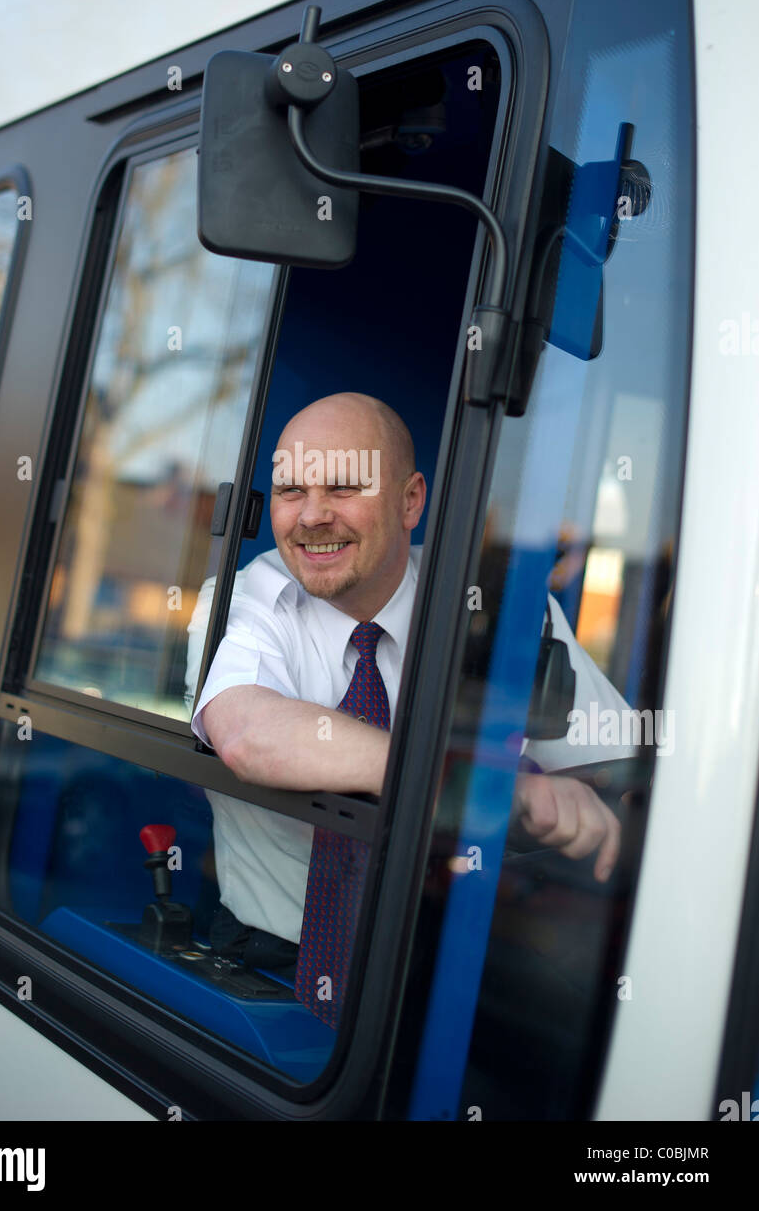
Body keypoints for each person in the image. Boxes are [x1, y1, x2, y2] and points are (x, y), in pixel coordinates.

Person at [190, 392, 630, 1017]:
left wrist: (573, 802)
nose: (311, 516)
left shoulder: (502, 610)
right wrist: (467, 779)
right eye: (290, 491)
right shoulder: (241, 600)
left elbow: (611, 764)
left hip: (461, 956)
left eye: (343, 487)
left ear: (410, 501)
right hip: (273, 963)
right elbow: (244, 733)